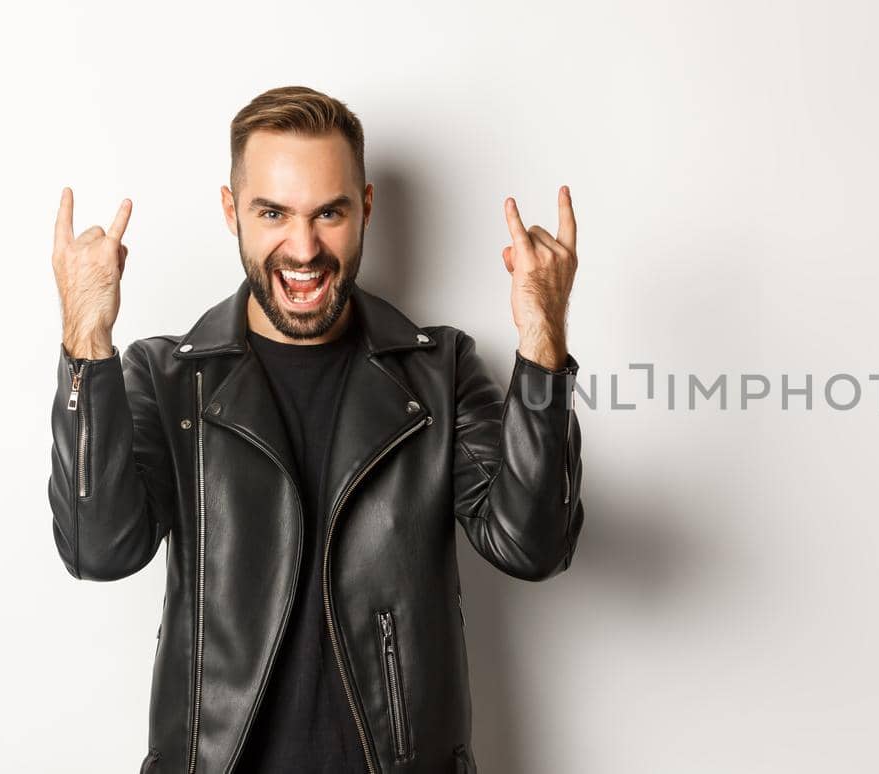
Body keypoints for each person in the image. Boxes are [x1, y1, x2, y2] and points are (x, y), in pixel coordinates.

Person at [47, 85, 585, 774]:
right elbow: (99, 550)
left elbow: (532, 545)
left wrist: (544, 337)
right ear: (230, 211)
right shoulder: (168, 376)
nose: (303, 248)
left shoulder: (440, 370)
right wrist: (87, 337)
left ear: (364, 208)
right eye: (273, 212)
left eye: (328, 213)